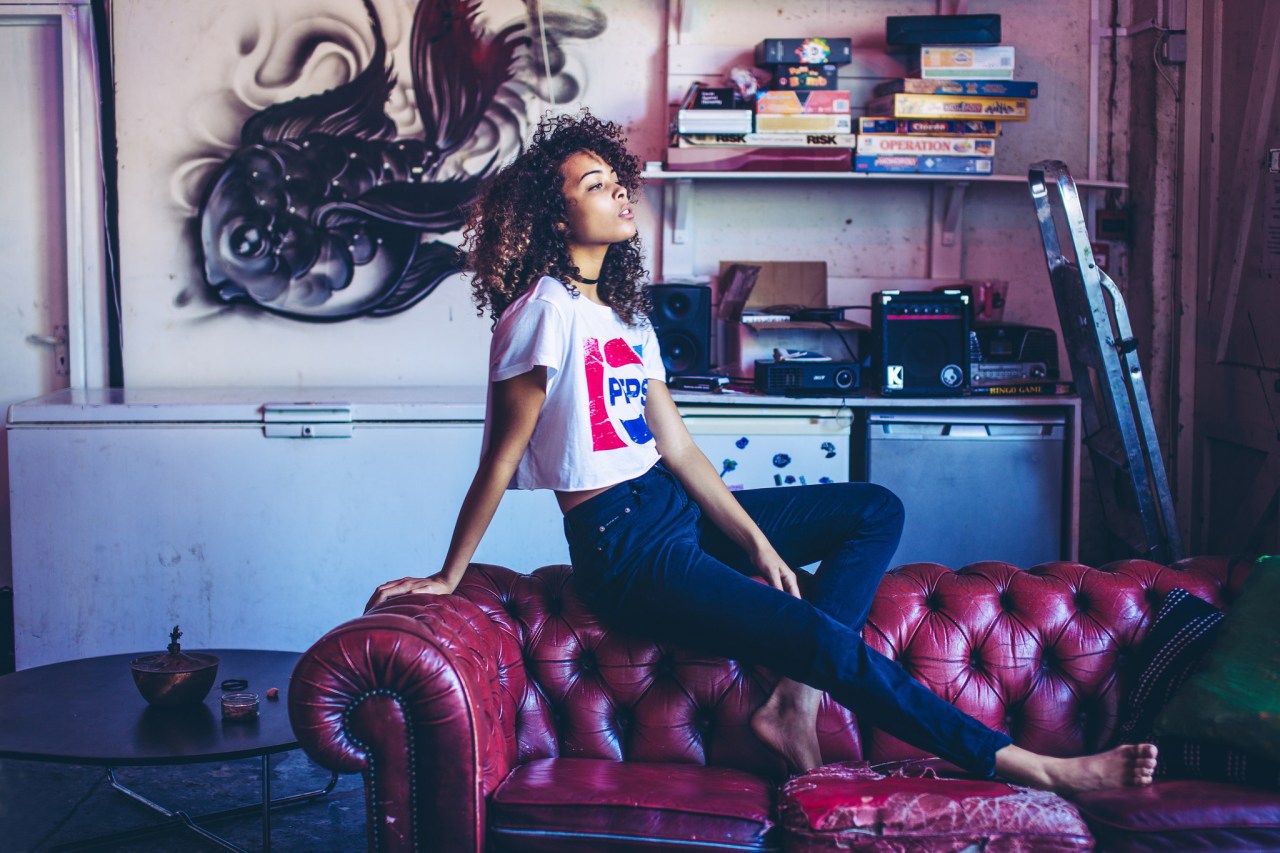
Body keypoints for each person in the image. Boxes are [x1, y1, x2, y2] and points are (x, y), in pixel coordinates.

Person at [369, 109, 1157, 795]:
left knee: (871, 509)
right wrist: (448, 573)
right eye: (593, 184)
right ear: (553, 212)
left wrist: (754, 538)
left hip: (670, 506)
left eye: (616, 179)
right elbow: (499, 458)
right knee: (813, 632)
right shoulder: (540, 314)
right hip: (622, 543)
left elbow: (675, 445)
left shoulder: (625, 318)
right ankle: (1040, 767)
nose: (617, 192)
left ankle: (795, 702)